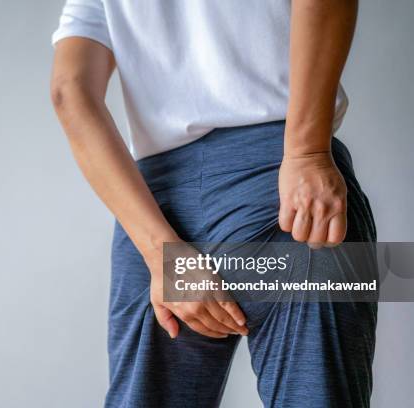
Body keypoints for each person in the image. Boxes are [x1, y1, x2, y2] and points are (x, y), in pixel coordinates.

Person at [50, 1, 376, 407]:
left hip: (155, 213)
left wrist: (160, 254)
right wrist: (307, 153)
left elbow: (70, 91)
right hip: (284, 189)